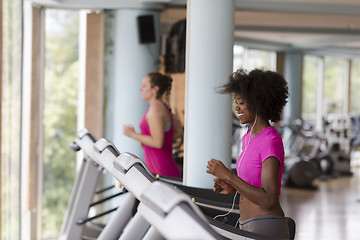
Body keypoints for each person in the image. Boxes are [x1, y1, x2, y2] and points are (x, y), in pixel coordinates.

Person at [206, 68, 290, 239]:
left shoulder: (270, 140)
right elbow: (252, 182)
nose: (236, 107)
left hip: (266, 225)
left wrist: (229, 176)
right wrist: (232, 187)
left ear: (258, 102)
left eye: (241, 102)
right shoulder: (247, 138)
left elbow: (268, 200)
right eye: (236, 102)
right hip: (247, 223)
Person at [123, 72, 181, 178]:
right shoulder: (161, 107)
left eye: (144, 85)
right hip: (159, 169)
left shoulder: (156, 110)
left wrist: (132, 134)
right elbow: (177, 133)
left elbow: (158, 142)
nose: (141, 89)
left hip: (162, 171)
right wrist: (146, 141)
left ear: (155, 89)